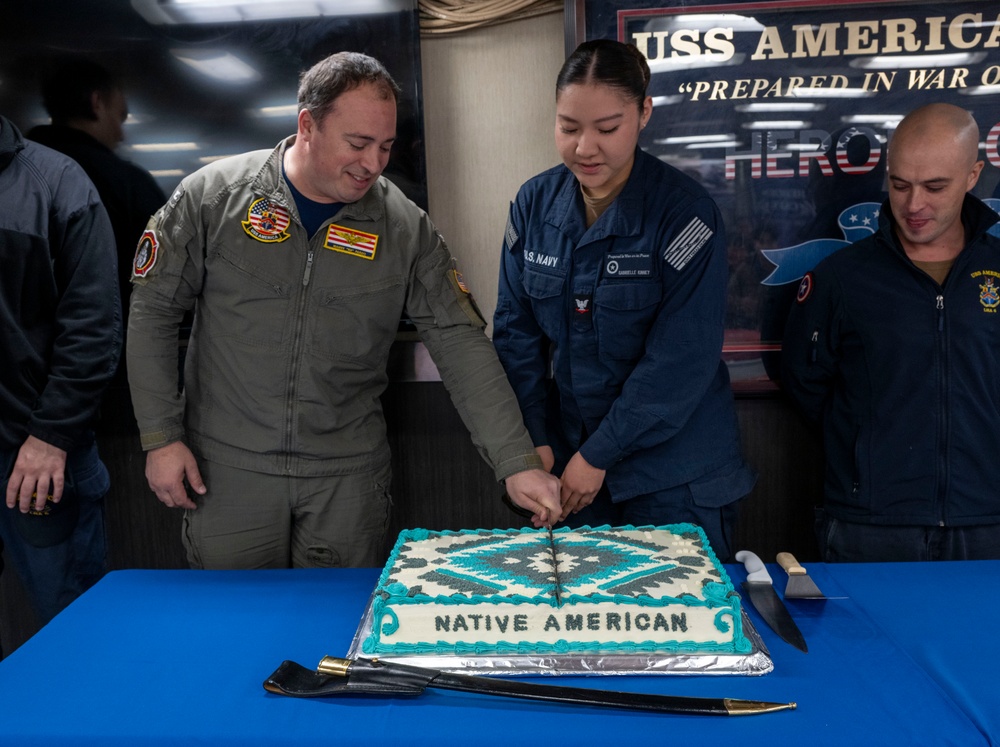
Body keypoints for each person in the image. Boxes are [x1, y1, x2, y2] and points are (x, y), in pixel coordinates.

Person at [126, 52, 561, 571]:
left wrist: (516, 463)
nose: (373, 164)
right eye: (357, 144)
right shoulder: (212, 199)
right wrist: (161, 438)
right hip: (228, 470)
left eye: (385, 146)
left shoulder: (403, 227)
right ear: (307, 125)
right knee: (233, 629)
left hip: (346, 479)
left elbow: (460, 343)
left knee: (336, 638)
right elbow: (152, 313)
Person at [492, 39, 756, 562]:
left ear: (644, 113)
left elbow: (680, 359)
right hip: (571, 471)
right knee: (584, 634)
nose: (585, 147)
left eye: (607, 128)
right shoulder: (533, 204)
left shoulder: (685, 214)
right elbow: (514, 333)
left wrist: (599, 454)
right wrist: (534, 442)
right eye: (568, 127)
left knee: (681, 631)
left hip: (671, 478)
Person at [782, 102, 1000, 562]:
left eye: (935, 187)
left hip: (988, 519)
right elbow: (806, 383)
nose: (913, 204)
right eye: (900, 185)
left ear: (973, 175)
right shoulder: (842, 279)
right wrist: (868, 447)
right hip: (871, 522)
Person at [0, 115, 121, 624]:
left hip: (34, 454)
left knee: (72, 624)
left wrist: (49, 436)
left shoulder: (54, 181)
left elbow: (94, 326)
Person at [27, 57, 165, 333]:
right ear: (97, 102)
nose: (122, 134)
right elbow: (166, 276)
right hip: (107, 352)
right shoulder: (127, 184)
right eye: (120, 116)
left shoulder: (14, 173)